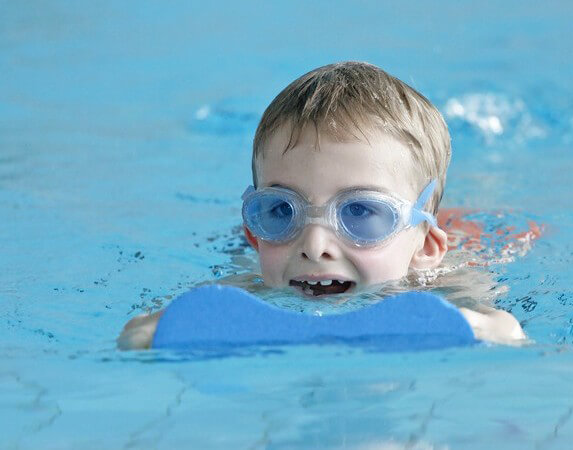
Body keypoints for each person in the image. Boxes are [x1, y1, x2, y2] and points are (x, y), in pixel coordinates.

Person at [117, 61, 526, 349]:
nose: (314, 245)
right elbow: (143, 330)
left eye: (360, 211)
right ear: (254, 238)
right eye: (280, 211)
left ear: (425, 247)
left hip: (478, 236)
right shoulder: (248, 290)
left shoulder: (444, 286)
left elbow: (503, 330)